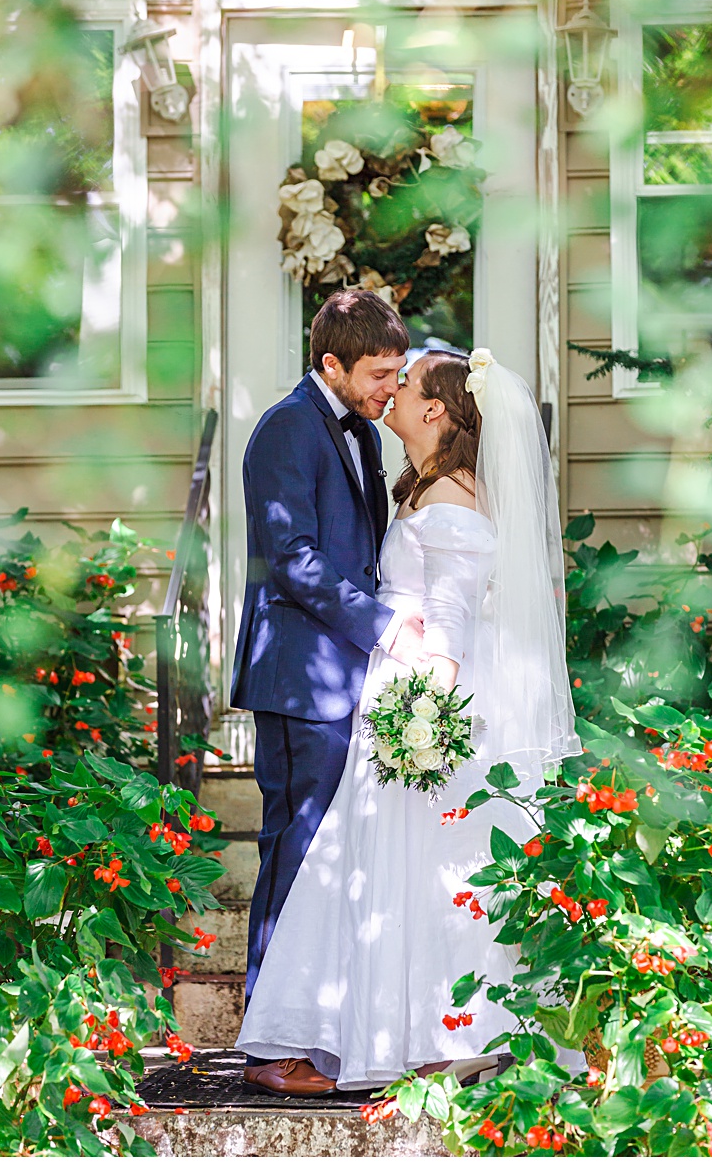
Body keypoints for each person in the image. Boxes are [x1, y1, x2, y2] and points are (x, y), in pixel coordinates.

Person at [236, 347, 580, 1091]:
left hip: (429, 700)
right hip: (401, 689)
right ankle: (401, 1030)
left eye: (408, 383)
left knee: (433, 873)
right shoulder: (422, 487)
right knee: (388, 872)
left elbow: (451, 623)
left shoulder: (452, 501)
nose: (391, 394)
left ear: (436, 410)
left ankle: (453, 1035)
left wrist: (426, 718)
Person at [230, 289, 426, 1097]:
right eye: (379, 374)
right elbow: (293, 558)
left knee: (328, 861)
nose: (390, 388)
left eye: (397, 372)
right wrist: (384, 624)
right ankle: (267, 1045)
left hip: (348, 675)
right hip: (300, 677)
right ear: (330, 364)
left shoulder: (357, 433)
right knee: (294, 852)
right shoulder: (285, 429)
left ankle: (314, 1029)